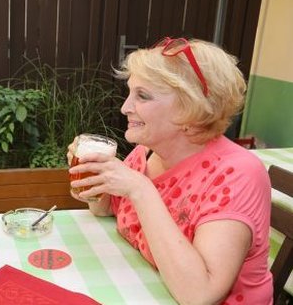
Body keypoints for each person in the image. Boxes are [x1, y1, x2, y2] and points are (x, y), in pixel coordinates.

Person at [68, 37, 272, 304]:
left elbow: (201, 294)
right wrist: (97, 179)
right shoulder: (147, 151)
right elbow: (106, 209)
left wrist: (141, 189)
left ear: (192, 109)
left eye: (142, 95)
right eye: (130, 92)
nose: (125, 107)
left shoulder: (238, 173)